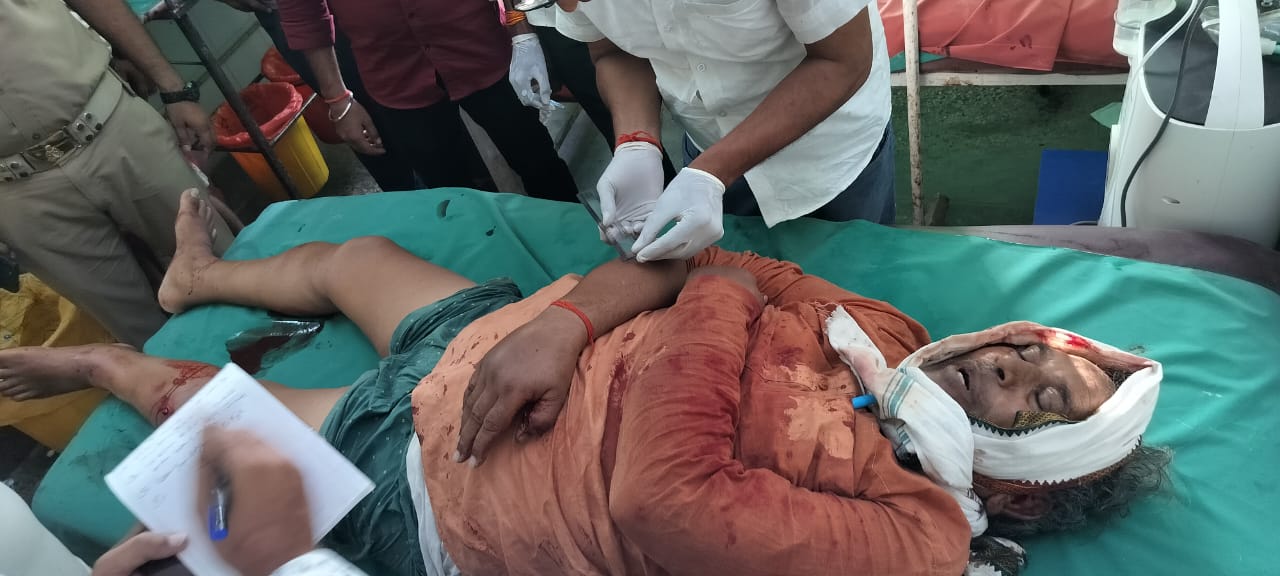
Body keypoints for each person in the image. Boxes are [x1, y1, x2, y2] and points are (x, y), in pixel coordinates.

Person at [0, 193, 1170, 576]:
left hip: (460, 480)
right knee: (356, 258)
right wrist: (561, 325)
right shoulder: (886, 332)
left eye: (1041, 403)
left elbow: (663, 500)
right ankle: (199, 276)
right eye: (1036, 353)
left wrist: (716, 301)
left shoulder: (914, 534)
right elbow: (713, 262)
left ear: (1024, 488)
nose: (1009, 366)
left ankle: (106, 360)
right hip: (512, 346)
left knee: (220, 429)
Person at [554, 0, 897, 262]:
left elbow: (842, 60)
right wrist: (636, 140)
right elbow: (611, 50)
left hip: (829, 149)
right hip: (706, 137)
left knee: (856, 281)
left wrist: (713, 171)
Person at [0, 0, 235, 348]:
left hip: (111, 123)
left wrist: (173, 88)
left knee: (230, 267)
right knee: (146, 336)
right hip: (15, 190)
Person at [275, 0, 579, 201]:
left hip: (481, 44)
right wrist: (338, 100)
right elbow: (303, 11)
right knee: (450, 193)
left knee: (537, 160)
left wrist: (522, 31)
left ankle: (583, 250)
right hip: (394, 74)